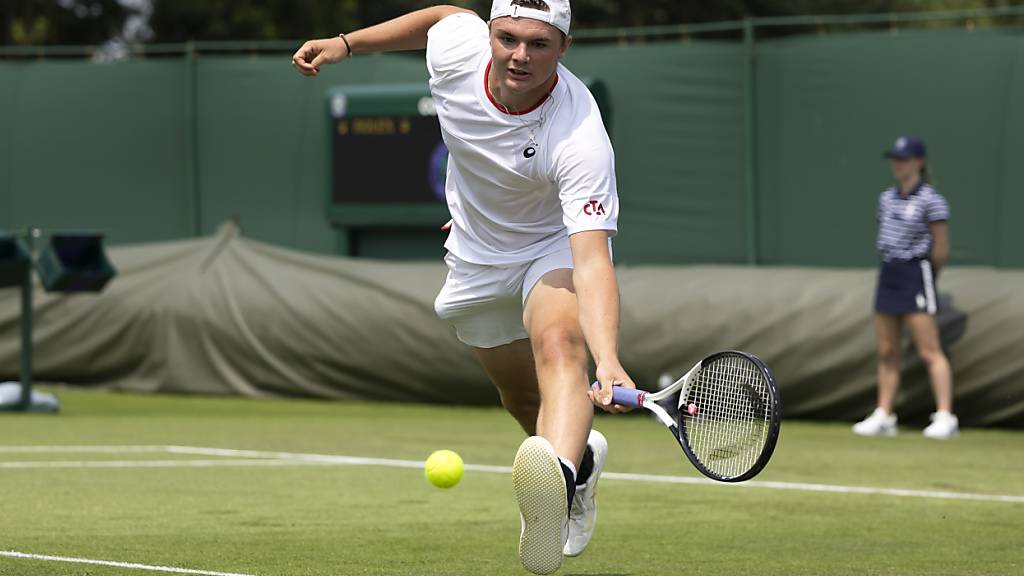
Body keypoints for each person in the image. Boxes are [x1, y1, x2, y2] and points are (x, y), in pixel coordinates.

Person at [292, 1, 636, 573]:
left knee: (559, 348)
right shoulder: (458, 48)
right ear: (490, 34)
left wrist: (608, 359)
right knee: (520, 399)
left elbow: (593, 260)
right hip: (476, 256)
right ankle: (578, 468)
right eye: (508, 38)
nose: (520, 56)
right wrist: (346, 44)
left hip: (548, 245)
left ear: (563, 48)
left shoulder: (581, 135)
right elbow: (440, 16)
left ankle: (555, 490)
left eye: (539, 44)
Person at [853, 136, 959, 440]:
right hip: (889, 273)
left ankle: (945, 416)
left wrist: (926, 276)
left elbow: (941, 249)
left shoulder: (932, 200)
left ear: (919, 162)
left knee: (929, 350)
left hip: (916, 273)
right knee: (887, 350)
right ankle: (885, 414)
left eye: (905, 159)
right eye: (896, 159)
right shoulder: (886, 198)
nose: (898, 165)